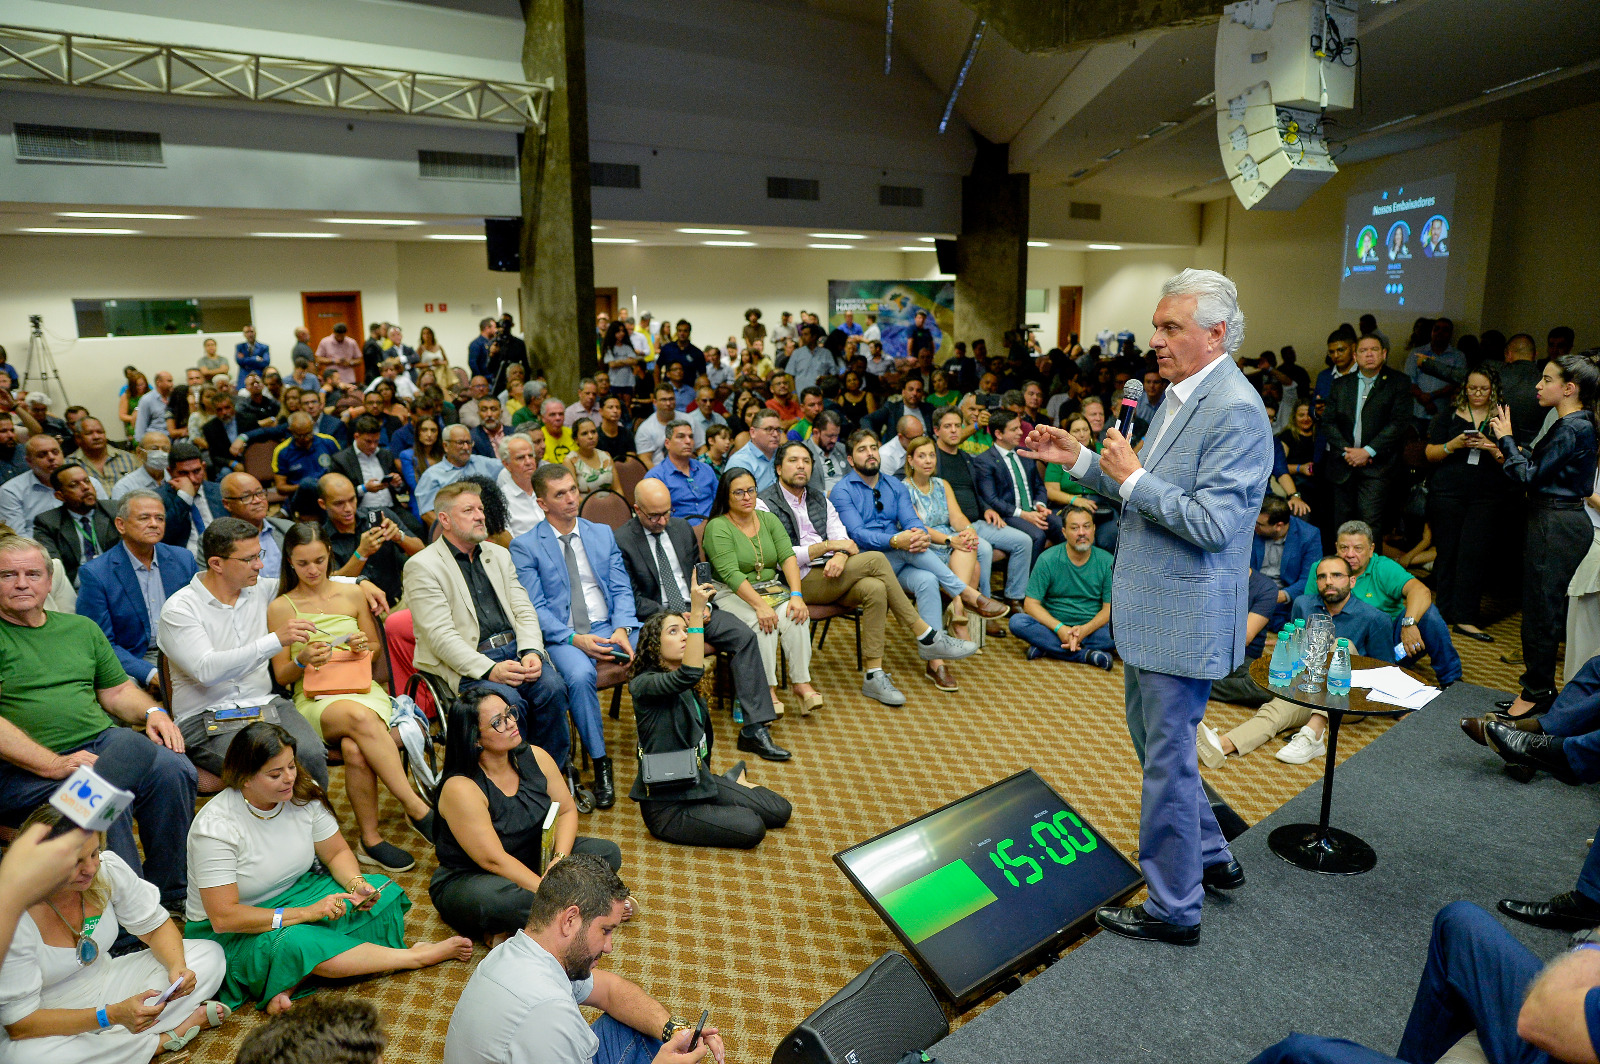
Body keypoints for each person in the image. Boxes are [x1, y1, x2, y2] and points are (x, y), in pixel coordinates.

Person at [1019, 269, 1273, 945]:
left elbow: (1212, 523)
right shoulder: (1181, 397)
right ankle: (1212, 856)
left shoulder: (1235, 411)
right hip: (1149, 611)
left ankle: (1173, 908)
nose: (1154, 340)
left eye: (1171, 328)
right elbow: (1140, 484)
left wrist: (1131, 478)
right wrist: (1077, 457)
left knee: (1166, 763)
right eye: (1156, 326)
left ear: (1216, 333)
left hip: (1183, 616)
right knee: (1156, 749)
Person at [184, 722, 470, 1014]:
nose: (289, 778)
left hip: (298, 891)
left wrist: (356, 885)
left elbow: (335, 854)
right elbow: (224, 917)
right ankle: (413, 958)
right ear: (244, 778)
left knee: (384, 897)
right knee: (296, 942)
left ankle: (291, 977)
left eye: (291, 766)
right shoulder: (216, 828)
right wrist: (307, 914)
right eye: (275, 773)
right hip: (233, 929)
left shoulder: (302, 793)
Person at [0, 535, 196, 908]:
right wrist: (54, 764)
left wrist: (153, 712)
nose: (22, 583)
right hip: (21, 770)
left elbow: (118, 691)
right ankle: (125, 917)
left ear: (49, 580)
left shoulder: (79, 629)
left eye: (32, 573)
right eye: (8, 574)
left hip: (100, 748)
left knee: (172, 768)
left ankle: (170, 895)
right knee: (104, 790)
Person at [0, 804, 229, 1064]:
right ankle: (160, 1041)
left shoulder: (106, 870)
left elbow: (155, 928)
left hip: (106, 981)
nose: (90, 869)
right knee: (21, 1059)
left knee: (209, 955)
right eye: (76, 861)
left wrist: (177, 967)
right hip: (45, 1015)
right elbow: (19, 1025)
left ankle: (108, 1047)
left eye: (94, 853)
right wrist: (110, 1016)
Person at [445, 855, 722, 1064]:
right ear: (570, 920)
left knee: (633, 1023)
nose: (609, 946)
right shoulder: (549, 1012)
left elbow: (612, 992)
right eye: (605, 930)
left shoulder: (515, 952)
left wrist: (676, 1031)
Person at [268, 523, 432, 872]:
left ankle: (370, 841)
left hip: (361, 688)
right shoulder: (282, 607)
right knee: (358, 719)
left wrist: (362, 646)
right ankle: (417, 807)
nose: (313, 570)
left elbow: (373, 649)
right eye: (303, 564)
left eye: (320, 560)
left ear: (330, 556)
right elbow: (281, 675)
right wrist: (302, 659)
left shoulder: (352, 594)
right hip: (314, 699)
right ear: (289, 563)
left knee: (356, 748)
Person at [1244, 901, 1594, 1064]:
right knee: (1459, 922)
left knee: (1299, 1056)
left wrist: (1592, 943)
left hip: (1564, 1032)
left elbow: (1539, 1017)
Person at [760, 441, 974, 707]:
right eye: (793, 461)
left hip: (834, 571)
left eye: (806, 460)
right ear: (779, 468)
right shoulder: (765, 502)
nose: (801, 466)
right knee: (874, 559)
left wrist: (839, 554)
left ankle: (874, 674)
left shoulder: (818, 497)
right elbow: (780, 557)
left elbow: (842, 537)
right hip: (797, 581)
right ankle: (926, 635)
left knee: (875, 587)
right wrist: (828, 547)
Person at [431, 690, 624, 947]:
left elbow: (566, 811)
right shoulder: (461, 788)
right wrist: (550, 891)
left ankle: (526, 926)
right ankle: (585, 908)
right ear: (475, 739)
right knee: (513, 901)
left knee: (607, 854)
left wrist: (559, 860)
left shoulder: (535, 756)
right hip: (475, 878)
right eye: (498, 722)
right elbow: (494, 861)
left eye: (509, 713)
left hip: (535, 860)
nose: (511, 722)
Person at [613, 480, 788, 760]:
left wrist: (704, 602)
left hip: (695, 607)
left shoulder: (681, 528)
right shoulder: (622, 539)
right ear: (637, 509)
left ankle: (754, 729)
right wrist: (674, 615)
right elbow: (630, 596)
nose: (662, 520)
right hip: (658, 617)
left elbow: (700, 574)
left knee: (744, 636)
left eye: (666, 512)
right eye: (654, 515)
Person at [403, 481, 572, 767]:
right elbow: (440, 637)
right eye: (468, 510)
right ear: (444, 519)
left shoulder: (499, 555)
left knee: (553, 688)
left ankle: (551, 772)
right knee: (508, 705)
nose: (480, 515)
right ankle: (519, 778)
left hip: (516, 652)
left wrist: (532, 650)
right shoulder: (423, 566)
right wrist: (489, 669)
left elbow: (524, 610)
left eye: (480, 509)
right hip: (470, 664)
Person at [157, 516, 332, 790]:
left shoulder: (260, 589)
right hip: (205, 717)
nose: (260, 565)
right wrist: (274, 641)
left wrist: (361, 581)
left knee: (310, 754)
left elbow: (312, 582)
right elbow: (207, 670)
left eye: (259, 555)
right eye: (249, 559)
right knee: (268, 764)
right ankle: (269, 831)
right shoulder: (180, 609)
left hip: (265, 705)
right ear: (216, 564)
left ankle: (313, 829)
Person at [832, 430, 1008, 693]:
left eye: (873, 447)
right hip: (866, 565)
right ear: (850, 458)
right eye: (862, 449)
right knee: (906, 546)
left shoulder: (894, 485)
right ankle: (967, 594)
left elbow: (914, 522)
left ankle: (936, 662)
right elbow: (857, 534)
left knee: (926, 579)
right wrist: (897, 540)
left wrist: (918, 535)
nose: (870, 453)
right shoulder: (842, 490)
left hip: (899, 562)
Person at [510, 465, 639, 808]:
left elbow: (621, 587)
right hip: (564, 635)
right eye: (560, 494)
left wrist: (622, 628)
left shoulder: (600, 533)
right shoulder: (526, 546)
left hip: (610, 625)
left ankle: (668, 749)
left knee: (662, 651)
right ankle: (601, 765)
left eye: (572, 490)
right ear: (542, 503)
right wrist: (573, 639)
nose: (571, 499)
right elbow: (535, 607)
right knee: (580, 676)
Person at [1200, 555, 1395, 768]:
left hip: (1347, 698)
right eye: (1322, 577)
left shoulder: (1374, 617)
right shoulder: (1304, 605)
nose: (1328, 581)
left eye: (1336, 575)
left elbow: (1384, 672)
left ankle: (1313, 733)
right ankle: (1224, 745)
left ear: (1352, 581)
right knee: (1273, 712)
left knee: (1342, 645)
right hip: (1308, 687)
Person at [1492, 352, 1600, 717]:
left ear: (1569, 388)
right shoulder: (1571, 423)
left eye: (1547, 380)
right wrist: (1508, 449)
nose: (1538, 386)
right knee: (1541, 610)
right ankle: (1538, 689)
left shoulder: (1573, 426)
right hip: (1554, 520)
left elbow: (1529, 476)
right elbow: (1539, 468)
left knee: (1542, 613)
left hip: (1558, 524)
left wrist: (1506, 441)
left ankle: (1537, 693)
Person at [702, 467, 822, 717]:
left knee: (795, 614)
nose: (747, 497)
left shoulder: (767, 519)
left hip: (771, 587)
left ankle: (801, 684)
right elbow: (731, 575)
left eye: (751, 490)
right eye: (739, 492)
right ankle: (767, 690)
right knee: (763, 622)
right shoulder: (717, 527)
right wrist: (760, 606)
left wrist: (797, 596)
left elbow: (787, 556)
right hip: (731, 593)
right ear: (726, 495)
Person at [1301, 520, 1462, 686]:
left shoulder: (1383, 567)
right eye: (1344, 548)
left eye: (1358, 548)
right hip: (1344, 645)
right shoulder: (1323, 569)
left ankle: (1452, 681)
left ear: (1371, 549)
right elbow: (1310, 610)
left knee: (1428, 615)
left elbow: (1420, 591)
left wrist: (1409, 623)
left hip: (1391, 648)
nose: (1350, 554)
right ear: (1336, 547)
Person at [76, 490, 197, 692]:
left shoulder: (183, 559)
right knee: (122, 689)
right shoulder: (96, 574)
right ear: (120, 525)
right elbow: (100, 643)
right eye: (144, 518)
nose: (154, 524)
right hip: (132, 659)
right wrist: (150, 674)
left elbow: (199, 616)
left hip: (183, 651)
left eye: (160, 518)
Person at [1424, 367, 1508, 642]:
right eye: (1473, 388)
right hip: (1447, 493)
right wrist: (1454, 444)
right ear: (1465, 389)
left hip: (1486, 496)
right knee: (1447, 553)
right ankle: (1443, 611)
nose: (1478, 394)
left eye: (1484, 389)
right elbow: (1430, 453)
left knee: (1473, 555)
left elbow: (1510, 461)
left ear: (1492, 390)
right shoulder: (1447, 416)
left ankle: (1466, 617)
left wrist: (1489, 445)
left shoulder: (1501, 419)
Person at [933, 408, 1036, 610]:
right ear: (936, 431)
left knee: (1024, 541)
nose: (954, 430)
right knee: (985, 549)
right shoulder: (932, 458)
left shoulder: (966, 458)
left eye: (957, 426)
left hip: (978, 520)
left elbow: (978, 491)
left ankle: (1014, 597)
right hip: (950, 525)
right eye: (948, 426)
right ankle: (984, 602)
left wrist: (988, 508)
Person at [1322, 332, 1410, 538]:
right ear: (1355, 356)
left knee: (1370, 525)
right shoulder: (1341, 384)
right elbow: (1328, 422)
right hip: (1343, 464)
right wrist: (1348, 452)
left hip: (1377, 468)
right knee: (1342, 526)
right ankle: (1341, 570)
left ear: (1384, 354)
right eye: (1363, 350)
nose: (1369, 354)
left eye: (1374, 350)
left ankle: (1369, 570)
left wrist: (1368, 451)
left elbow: (1398, 423)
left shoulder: (1399, 382)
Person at [1009, 507, 1115, 668]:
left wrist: (1084, 631)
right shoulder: (1048, 559)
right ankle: (1086, 655)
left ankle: (1047, 647)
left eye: (1086, 527)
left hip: (1091, 629)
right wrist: (1060, 629)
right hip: (1053, 626)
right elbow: (1030, 604)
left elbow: (1109, 609)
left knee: (1124, 632)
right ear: (1064, 532)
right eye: (1074, 528)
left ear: (1094, 529)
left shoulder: (1107, 561)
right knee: (1017, 622)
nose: (1081, 533)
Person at [903, 437, 985, 643]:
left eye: (932, 455)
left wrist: (968, 530)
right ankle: (959, 613)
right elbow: (917, 527)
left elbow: (956, 517)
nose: (928, 460)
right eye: (921, 456)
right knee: (973, 568)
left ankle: (956, 609)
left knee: (969, 544)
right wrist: (950, 540)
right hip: (924, 546)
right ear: (910, 461)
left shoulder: (942, 484)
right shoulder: (903, 489)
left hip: (950, 541)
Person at [975, 410, 1062, 563]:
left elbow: (1039, 486)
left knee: (1064, 527)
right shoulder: (985, 461)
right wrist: (1024, 514)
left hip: (1034, 510)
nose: (1021, 432)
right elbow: (992, 499)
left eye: (1019, 427)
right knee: (1037, 535)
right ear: (999, 434)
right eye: (1014, 429)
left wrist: (1040, 505)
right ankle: (1030, 583)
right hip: (1009, 515)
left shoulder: (1025, 453)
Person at [0, 435, 107, 539]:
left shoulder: (89, 484)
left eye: (55, 452)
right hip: (41, 551)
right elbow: (16, 538)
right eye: (42, 455)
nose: (51, 458)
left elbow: (106, 519)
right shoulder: (11, 491)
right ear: (29, 461)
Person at [32, 461, 118, 587]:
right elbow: (54, 566)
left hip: (117, 580)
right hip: (77, 588)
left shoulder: (115, 510)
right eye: (74, 485)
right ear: (60, 495)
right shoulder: (47, 522)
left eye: (87, 481)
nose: (86, 487)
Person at [1251, 495, 1321, 629]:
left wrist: (1280, 596)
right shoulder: (1251, 530)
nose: (1254, 526)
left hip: (1285, 600)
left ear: (1279, 526)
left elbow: (1309, 578)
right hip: (1253, 594)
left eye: (1259, 524)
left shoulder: (1309, 535)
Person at [414, 424, 502, 524]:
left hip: (490, 525)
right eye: (460, 443)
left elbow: (509, 466)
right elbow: (427, 513)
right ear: (446, 446)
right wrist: (452, 530)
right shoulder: (432, 475)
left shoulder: (483, 463)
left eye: (468, 442)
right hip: (455, 529)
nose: (466, 447)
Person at [641, 421, 717, 524]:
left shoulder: (706, 469)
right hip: (679, 534)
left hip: (714, 529)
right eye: (681, 437)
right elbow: (654, 519)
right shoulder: (655, 477)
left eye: (691, 437)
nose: (688, 441)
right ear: (667, 443)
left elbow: (720, 502)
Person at [154, 442, 222, 555]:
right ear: (170, 472)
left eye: (197, 471)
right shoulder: (158, 498)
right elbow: (162, 537)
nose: (193, 479)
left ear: (203, 467)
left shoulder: (219, 491)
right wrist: (184, 498)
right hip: (185, 560)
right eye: (183, 473)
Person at [330, 415, 403, 519]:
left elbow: (402, 488)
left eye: (376, 441)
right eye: (368, 441)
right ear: (356, 437)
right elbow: (337, 494)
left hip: (392, 508)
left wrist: (397, 483)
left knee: (416, 528)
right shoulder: (341, 460)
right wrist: (364, 489)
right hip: (362, 512)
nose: (373, 446)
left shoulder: (385, 455)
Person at [1404, 316, 1464, 427]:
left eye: (1445, 330)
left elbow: (1457, 382)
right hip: (1417, 411)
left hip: (1442, 413)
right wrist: (1425, 400)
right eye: (1436, 329)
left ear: (1451, 334)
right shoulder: (1416, 353)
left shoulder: (1458, 356)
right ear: (1431, 332)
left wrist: (1431, 396)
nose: (1440, 332)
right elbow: (1409, 380)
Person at [71, 416, 137, 498]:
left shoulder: (128, 458)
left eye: (100, 432)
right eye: (89, 433)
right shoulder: (69, 464)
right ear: (78, 438)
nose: (96, 437)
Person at [496, 435, 548, 537]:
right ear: (507, 465)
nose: (528, 462)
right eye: (520, 458)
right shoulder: (501, 500)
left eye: (531, 456)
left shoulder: (547, 489)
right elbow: (509, 542)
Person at [724, 409, 783, 491]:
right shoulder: (740, 461)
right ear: (753, 432)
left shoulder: (783, 455)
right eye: (769, 429)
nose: (776, 434)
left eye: (778, 429)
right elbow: (738, 499)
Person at [563, 417, 615, 497]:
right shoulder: (570, 461)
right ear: (576, 439)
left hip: (610, 505)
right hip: (585, 507)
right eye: (584, 433)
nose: (591, 436)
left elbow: (618, 490)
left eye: (593, 432)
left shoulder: (606, 456)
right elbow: (573, 496)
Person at [633, 386, 678, 467]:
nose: (668, 403)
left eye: (671, 399)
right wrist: (660, 478)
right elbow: (645, 459)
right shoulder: (645, 429)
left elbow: (701, 448)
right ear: (655, 402)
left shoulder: (689, 420)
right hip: (660, 474)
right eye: (663, 400)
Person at [877, 414, 922, 479]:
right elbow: (891, 486)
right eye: (914, 439)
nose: (920, 442)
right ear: (900, 437)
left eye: (922, 436)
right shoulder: (885, 456)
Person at [594, 396, 635, 461]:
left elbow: (631, 461)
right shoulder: (595, 436)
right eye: (610, 407)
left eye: (618, 407)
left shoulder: (627, 434)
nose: (615, 411)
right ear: (601, 411)